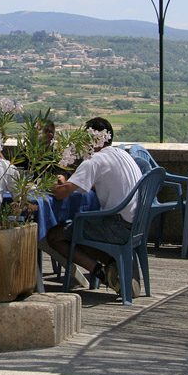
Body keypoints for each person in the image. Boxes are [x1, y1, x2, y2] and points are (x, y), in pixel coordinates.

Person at [44, 117, 143, 297]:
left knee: (55, 236)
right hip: (136, 225)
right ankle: (116, 266)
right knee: (78, 231)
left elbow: (61, 194)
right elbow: (100, 182)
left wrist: (49, 184)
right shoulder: (123, 154)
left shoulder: (95, 160)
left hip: (117, 226)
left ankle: (101, 272)